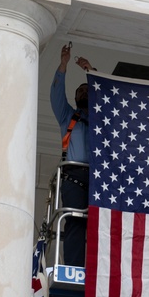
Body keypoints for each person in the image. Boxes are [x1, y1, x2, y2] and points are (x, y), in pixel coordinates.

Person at [50, 43, 95, 267]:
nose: (84, 93)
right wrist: (63, 65)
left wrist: (90, 71)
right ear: (76, 98)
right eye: (81, 91)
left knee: (102, 226)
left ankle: (101, 272)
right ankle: (74, 268)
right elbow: (56, 96)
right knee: (75, 222)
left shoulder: (103, 116)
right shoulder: (68, 116)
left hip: (100, 179)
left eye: (88, 90)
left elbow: (109, 97)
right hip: (75, 178)